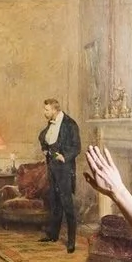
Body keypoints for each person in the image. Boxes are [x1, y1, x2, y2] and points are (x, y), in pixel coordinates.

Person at [36, 96, 82, 252]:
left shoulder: (70, 124)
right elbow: (44, 136)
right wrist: (45, 148)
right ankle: (53, 235)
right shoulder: (51, 122)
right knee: (55, 202)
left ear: (55, 110)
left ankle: (71, 242)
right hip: (52, 168)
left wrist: (65, 156)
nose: (44, 112)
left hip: (65, 170)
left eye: (47, 110)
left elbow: (77, 147)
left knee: (67, 204)